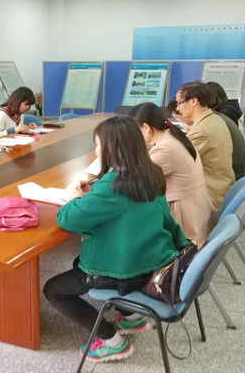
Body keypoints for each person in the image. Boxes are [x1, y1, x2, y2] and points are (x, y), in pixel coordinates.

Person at [43, 116, 189, 364]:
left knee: (54, 290)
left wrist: (74, 197)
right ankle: (132, 317)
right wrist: (94, 195)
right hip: (154, 260)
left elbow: (68, 220)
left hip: (125, 271)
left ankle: (111, 340)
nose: (96, 151)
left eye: (98, 145)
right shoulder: (150, 173)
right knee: (81, 264)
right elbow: (134, 210)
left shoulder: (114, 185)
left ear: (112, 148)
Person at [129, 103, 218, 246]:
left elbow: (137, 179)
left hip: (186, 221)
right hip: (199, 212)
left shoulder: (165, 150)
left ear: (146, 127)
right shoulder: (174, 137)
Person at [176, 81, 234, 210]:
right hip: (220, 186)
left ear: (193, 101)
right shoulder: (213, 119)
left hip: (210, 197)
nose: (177, 109)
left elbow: (176, 160)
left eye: (179, 103)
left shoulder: (202, 131)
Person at [206, 82, 245, 180]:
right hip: (235, 162)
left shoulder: (224, 114)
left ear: (212, 99)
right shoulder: (230, 107)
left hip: (232, 169)